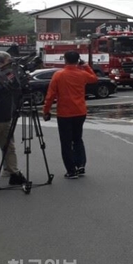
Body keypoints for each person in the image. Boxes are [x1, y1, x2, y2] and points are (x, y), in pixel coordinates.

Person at [43, 51, 98, 179]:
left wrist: (46, 110)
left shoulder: (58, 75)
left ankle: (71, 170)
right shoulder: (82, 74)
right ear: (78, 60)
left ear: (65, 60)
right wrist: (85, 65)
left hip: (65, 113)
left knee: (66, 142)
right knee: (77, 139)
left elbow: (50, 95)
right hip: (80, 111)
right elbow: (94, 78)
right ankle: (80, 165)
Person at [0, 51, 27, 185]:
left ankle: (14, 172)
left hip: (6, 117)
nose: (11, 65)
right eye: (9, 62)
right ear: (0, 63)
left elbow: (17, 89)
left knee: (9, 148)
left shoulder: (9, 75)